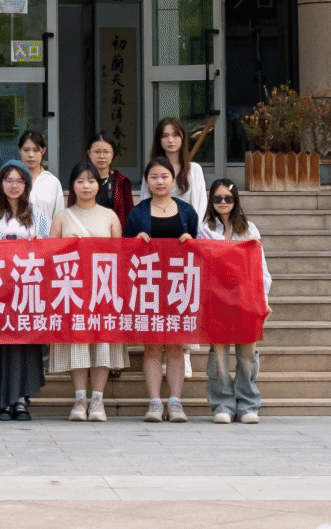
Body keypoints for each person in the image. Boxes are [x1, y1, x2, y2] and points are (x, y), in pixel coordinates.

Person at [50, 161, 124, 422]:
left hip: (103, 290)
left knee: (102, 344)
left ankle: (98, 401)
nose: (86, 186)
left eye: (91, 181)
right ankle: (80, 400)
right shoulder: (62, 217)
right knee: (77, 344)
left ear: (98, 185)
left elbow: (120, 255)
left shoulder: (110, 216)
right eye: (80, 181)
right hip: (73, 290)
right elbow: (51, 255)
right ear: (72, 185)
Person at [0, 163, 47, 421]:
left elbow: (48, 247)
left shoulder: (38, 213)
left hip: (26, 287)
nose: (13, 185)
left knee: (22, 344)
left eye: (19, 181)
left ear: (27, 185)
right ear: (0, 184)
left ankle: (21, 400)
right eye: (8, 180)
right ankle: (1, 401)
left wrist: (39, 243)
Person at [199, 177, 270, 425]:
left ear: (235, 200)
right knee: (218, 355)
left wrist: (264, 300)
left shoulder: (250, 229)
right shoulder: (204, 229)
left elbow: (260, 267)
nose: (223, 202)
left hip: (247, 298)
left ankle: (248, 404)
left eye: (228, 198)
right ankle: (223, 404)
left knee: (247, 354)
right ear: (211, 201)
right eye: (217, 198)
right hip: (216, 299)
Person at [126, 160, 193, 423]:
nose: (160, 181)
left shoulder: (186, 211)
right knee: (152, 347)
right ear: (146, 182)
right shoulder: (137, 213)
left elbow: (201, 249)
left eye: (165, 176)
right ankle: (154, 403)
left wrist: (191, 242)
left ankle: (175, 403)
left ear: (173, 180)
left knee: (176, 347)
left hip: (179, 285)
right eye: (154, 177)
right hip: (149, 285)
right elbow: (125, 253)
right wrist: (135, 243)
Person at [145, 116, 210, 219]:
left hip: (189, 226)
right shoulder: (152, 170)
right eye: (165, 136)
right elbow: (145, 201)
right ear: (159, 140)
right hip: (158, 224)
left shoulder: (194, 169)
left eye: (175, 135)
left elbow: (201, 206)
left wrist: (196, 227)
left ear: (182, 137)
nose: (170, 140)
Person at [83, 132, 135, 234]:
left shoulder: (122, 182)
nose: (101, 156)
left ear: (113, 153)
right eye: (97, 152)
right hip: (86, 237)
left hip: (114, 237)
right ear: (89, 153)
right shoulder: (80, 181)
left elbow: (129, 216)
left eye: (106, 152)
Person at [18, 130, 63, 232]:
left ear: (43, 150)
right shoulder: (10, 181)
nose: (31, 155)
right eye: (26, 150)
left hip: (45, 239)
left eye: (36, 150)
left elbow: (59, 217)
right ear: (19, 150)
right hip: (16, 239)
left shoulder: (52, 182)